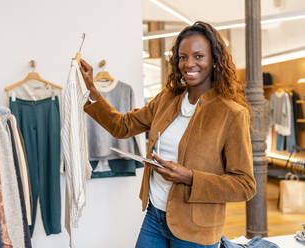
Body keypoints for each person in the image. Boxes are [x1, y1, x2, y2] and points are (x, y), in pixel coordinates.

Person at [79, 21, 256, 248]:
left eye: (199, 56)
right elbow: (122, 127)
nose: (189, 63)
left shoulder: (231, 114)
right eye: (183, 57)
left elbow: (245, 185)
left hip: (196, 229)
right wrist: (92, 91)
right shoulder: (167, 99)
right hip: (155, 216)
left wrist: (190, 177)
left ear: (214, 60)